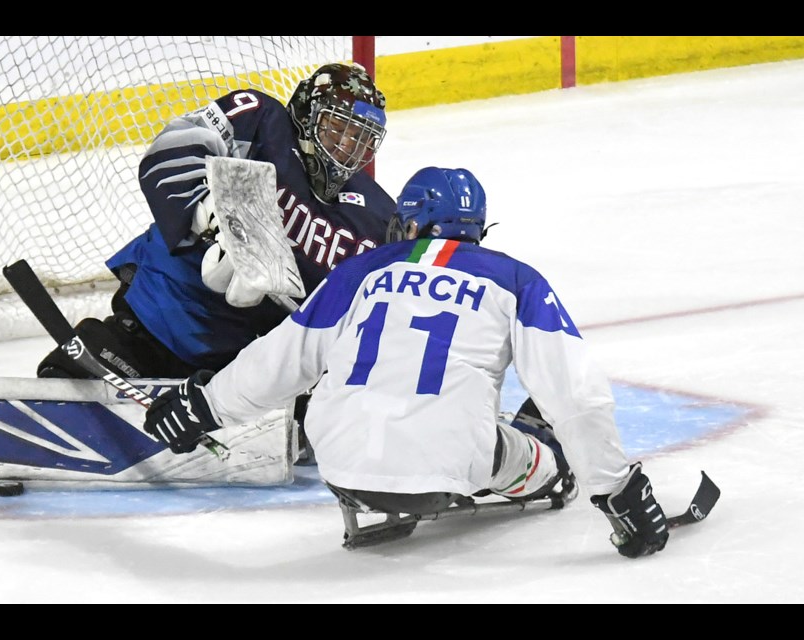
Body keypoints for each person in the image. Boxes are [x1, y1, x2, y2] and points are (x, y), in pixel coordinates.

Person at [142, 166, 671, 558]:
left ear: (410, 221)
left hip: (340, 465)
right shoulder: (515, 278)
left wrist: (205, 407)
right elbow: (575, 395)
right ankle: (542, 465)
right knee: (548, 457)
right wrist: (617, 490)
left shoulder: (361, 270)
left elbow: (284, 359)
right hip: (452, 461)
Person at [36, 62, 396, 380]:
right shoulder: (261, 120)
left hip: (238, 368)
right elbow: (173, 149)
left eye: (361, 138)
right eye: (337, 128)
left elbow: (366, 309)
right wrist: (208, 218)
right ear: (305, 112)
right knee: (70, 375)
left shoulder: (376, 217)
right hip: (156, 318)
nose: (346, 147)